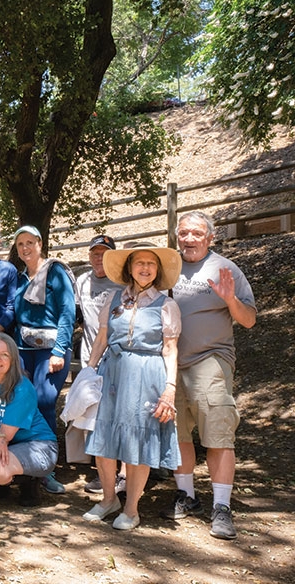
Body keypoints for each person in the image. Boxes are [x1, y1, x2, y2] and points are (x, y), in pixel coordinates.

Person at [164, 211, 256, 540]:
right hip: (171, 365)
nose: (189, 239)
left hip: (211, 361)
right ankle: (187, 496)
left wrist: (230, 299)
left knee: (218, 434)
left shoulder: (226, 269)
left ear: (210, 238)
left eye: (196, 234)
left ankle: (221, 506)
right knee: (178, 433)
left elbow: (248, 320)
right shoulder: (168, 266)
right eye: (184, 233)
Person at [80, 246, 182, 530]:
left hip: (147, 376)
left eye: (151, 264)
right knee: (103, 438)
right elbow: (101, 339)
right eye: (140, 263)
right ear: (129, 268)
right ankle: (109, 498)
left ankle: (132, 509)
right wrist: (89, 372)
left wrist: (169, 389)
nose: (145, 268)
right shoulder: (113, 299)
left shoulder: (166, 305)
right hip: (112, 373)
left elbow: (171, 350)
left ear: (158, 270)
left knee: (139, 440)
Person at [11, 224, 75, 494]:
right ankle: (25, 460)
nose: (25, 248)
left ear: (40, 243)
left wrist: (60, 350)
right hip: (25, 349)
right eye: (20, 244)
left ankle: (47, 467)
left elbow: (67, 312)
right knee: (23, 401)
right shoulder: (21, 278)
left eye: (30, 243)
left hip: (51, 349)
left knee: (46, 400)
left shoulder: (55, 271)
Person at [0, 333, 59, 507]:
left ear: (13, 359)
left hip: (39, 446)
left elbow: (5, 436)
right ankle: (0, 485)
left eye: (4, 355)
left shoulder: (22, 388)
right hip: (8, 442)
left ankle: (30, 482)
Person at [72, 234, 125, 495]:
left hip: (118, 358)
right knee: (95, 416)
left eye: (104, 253)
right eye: (94, 253)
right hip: (90, 357)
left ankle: (123, 474)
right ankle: (104, 472)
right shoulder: (82, 281)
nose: (98, 258)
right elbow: (79, 315)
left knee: (118, 415)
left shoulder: (123, 281)